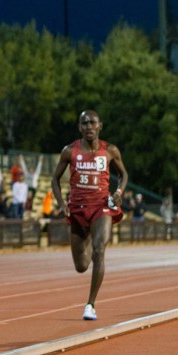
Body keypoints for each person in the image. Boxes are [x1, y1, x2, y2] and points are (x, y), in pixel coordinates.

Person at [51, 110, 128, 321]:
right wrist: (61, 204)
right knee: (81, 266)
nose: (88, 126)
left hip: (101, 206)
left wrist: (118, 192)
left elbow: (124, 174)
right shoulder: (69, 151)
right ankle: (86, 236)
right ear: (79, 127)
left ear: (100, 126)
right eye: (84, 123)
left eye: (92, 123)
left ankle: (90, 304)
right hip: (77, 208)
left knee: (99, 250)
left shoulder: (110, 151)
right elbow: (54, 180)